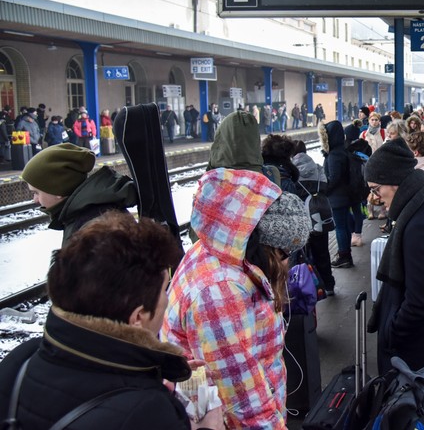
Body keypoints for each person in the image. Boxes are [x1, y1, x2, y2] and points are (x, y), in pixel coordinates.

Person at [0, 211, 223, 430]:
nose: (167, 297)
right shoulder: (148, 412)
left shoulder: (21, 359)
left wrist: (152, 375)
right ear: (138, 317)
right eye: (165, 289)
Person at [162, 169, 310, 430]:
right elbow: (243, 402)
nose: (288, 261)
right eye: (286, 252)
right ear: (262, 245)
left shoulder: (219, 248)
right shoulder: (218, 293)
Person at [365, 139, 424, 374]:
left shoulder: (420, 227)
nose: (374, 198)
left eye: (376, 189)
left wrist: (393, 333)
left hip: (417, 353)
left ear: (395, 182)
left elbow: (420, 301)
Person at [21, 143, 137, 243]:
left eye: (36, 192)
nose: (34, 199)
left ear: (58, 189)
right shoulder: (88, 217)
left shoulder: (97, 231)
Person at [292, 139, 336, 295]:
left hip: (302, 219)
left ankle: (311, 286)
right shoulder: (317, 168)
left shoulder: (292, 172)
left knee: (303, 254)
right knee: (323, 251)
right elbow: (326, 186)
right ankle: (329, 285)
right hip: (318, 216)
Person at [321, 120, 357, 268]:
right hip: (344, 195)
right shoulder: (342, 150)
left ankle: (344, 255)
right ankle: (345, 253)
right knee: (345, 225)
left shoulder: (334, 155)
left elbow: (334, 178)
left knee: (340, 227)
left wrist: (325, 189)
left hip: (337, 197)